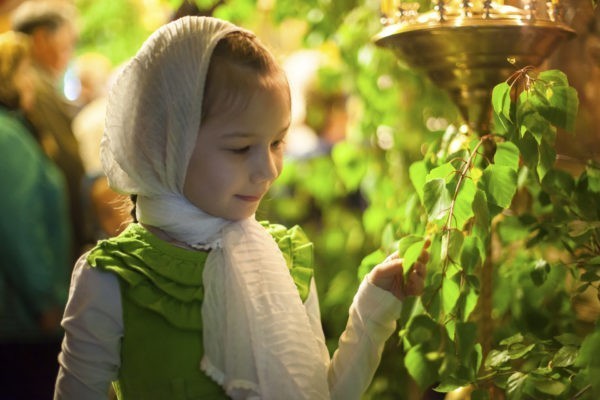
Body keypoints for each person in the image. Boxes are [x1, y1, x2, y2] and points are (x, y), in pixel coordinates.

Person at [53, 16, 429, 400]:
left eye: (277, 142)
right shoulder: (115, 278)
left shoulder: (286, 256)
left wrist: (372, 310)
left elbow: (317, 393)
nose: (269, 170)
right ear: (167, 142)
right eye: (240, 148)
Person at [0, 30, 71, 400]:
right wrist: (45, 302)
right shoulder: (7, 138)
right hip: (22, 322)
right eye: (25, 71)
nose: (31, 82)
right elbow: (19, 228)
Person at [11, 0, 90, 260]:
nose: (69, 55)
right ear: (41, 38)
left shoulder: (33, 83)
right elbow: (66, 161)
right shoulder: (36, 87)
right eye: (67, 44)